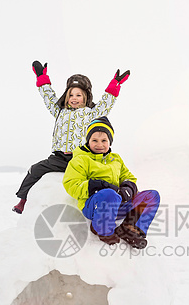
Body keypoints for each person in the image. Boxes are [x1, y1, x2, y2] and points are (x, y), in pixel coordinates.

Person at [13, 62, 130, 213]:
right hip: (59, 158)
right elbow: (48, 98)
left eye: (78, 95)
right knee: (35, 170)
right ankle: (23, 200)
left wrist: (116, 84)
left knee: (95, 178)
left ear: (85, 96)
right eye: (71, 95)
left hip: (80, 158)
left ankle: (107, 202)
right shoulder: (60, 111)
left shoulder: (91, 113)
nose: (74, 98)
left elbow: (105, 104)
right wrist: (42, 78)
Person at [63, 117, 160, 249]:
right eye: (94, 140)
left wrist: (128, 188)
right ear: (88, 141)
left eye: (104, 140)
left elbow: (129, 177)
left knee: (152, 196)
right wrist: (96, 186)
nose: (99, 144)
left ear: (110, 142)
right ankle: (103, 230)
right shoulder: (80, 160)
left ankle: (130, 228)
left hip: (117, 204)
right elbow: (71, 184)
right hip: (95, 206)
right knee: (109, 195)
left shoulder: (116, 159)